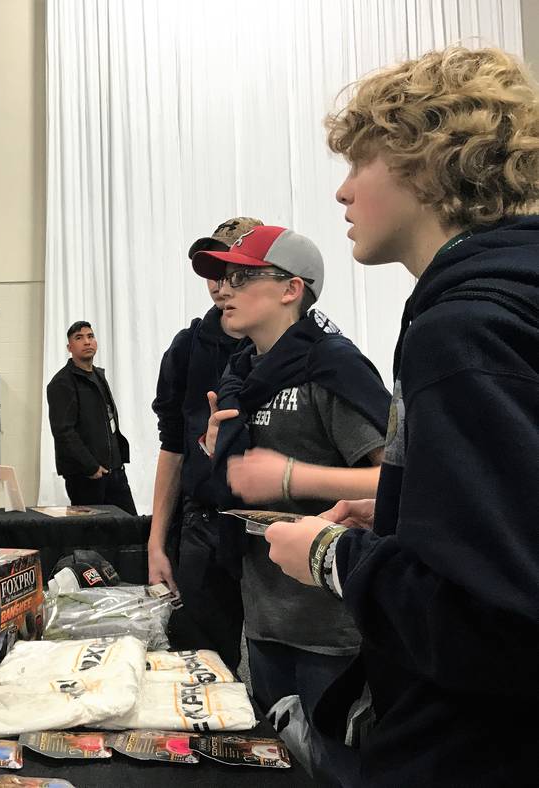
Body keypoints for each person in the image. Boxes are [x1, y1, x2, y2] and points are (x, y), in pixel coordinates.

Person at [265, 46, 539, 785]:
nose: (343, 192)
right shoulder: (506, 307)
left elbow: (496, 624)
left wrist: (328, 558)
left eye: (362, 163)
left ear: (428, 162)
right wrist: (400, 508)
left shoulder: (467, 330)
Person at [192, 226, 390, 782]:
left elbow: (400, 484)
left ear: (291, 289)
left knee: (336, 769)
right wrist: (217, 453)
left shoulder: (334, 369)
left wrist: (290, 477)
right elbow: (237, 487)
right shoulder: (240, 377)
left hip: (331, 629)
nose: (223, 289)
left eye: (242, 276)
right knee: (272, 768)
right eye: (222, 277)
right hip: (261, 615)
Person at [147, 216, 261, 668]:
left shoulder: (299, 349)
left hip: (272, 534)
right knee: (201, 664)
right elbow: (172, 446)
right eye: (214, 272)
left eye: (236, 273)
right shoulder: (187, 347)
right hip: (204, 530)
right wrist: (157, 544)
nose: (221, 285)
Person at [46, 321, 136, 514]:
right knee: (93, 537)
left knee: (131, 527)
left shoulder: (98, 375)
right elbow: (63, 431)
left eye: (90, 336)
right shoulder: (62, 383)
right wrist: (91, 467)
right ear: (69, 347)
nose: (87, 342)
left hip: (115, 471)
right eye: (79, 338)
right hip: (86, 476)